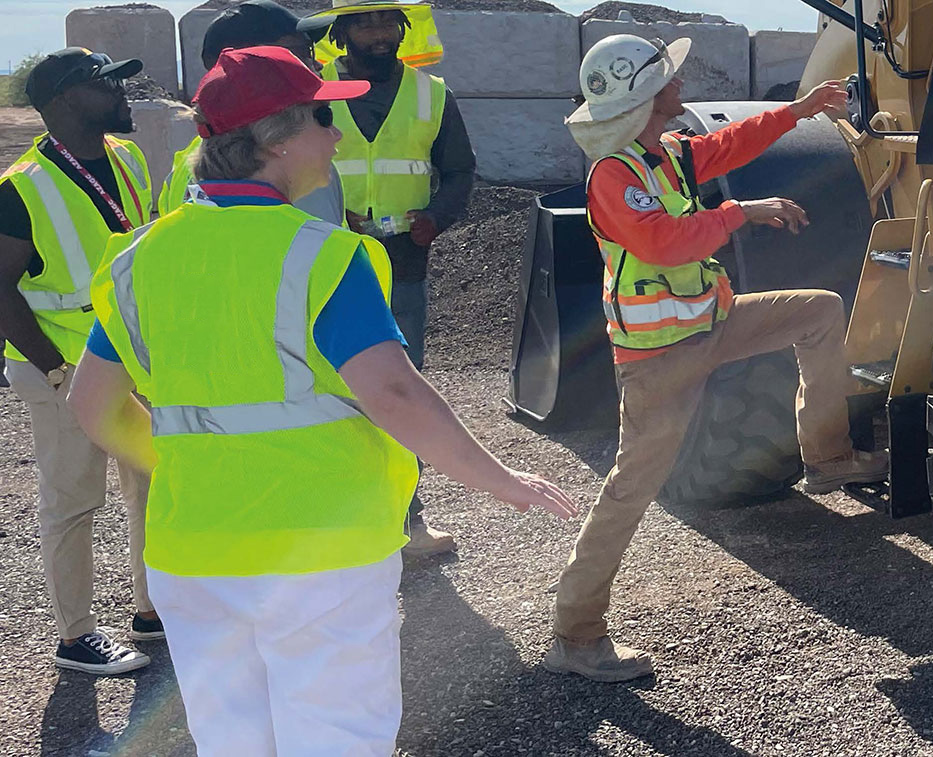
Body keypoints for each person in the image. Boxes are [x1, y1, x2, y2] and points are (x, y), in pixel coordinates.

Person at [65, 46, 577, 753]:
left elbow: (92, 407)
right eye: (323, 116)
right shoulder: (320, 253)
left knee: (234, 741)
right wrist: (502, 479)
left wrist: (189, 463)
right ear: (275, 139)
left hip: (191, 549)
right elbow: (394, 392)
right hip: (321, 548)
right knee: (336, 737)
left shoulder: (140, 257)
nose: (337, 134)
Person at [544, 34, 888, 683]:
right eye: (670, 78)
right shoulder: (612, 176)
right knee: (629, 490)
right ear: (648, 98)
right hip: (656, 362)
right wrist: (742, 211)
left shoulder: (666, 155)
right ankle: (575, 632)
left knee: (818, 312)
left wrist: (801, 109)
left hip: (714, 321)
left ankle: (827, 456)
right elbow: (663, 242)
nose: (682, 83)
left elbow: (731, 144)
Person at [0, 48, 158, 675]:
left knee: (151, 479)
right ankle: (75, 637)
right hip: (62, 370)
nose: (125, 93)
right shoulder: (20, 191)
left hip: (134, 365)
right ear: (63, 101)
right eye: (107, 84)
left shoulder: (128, 159)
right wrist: (59, 372)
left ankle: (153, 612)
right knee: (72, 497)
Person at [301, 0, 477, 556]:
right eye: (363, 22)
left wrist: (437, 217)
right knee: (325, 386)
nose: (378, 32)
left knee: (401, 387)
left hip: (403, 262)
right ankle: (338, 519)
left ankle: (406, 521)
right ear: (341, 31)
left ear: (404, 28)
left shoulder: (433, 95)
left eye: (386, 22)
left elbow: (460, 169)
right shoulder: (310, 88)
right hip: (325, 260)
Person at [158, 0, 343, 223]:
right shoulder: (295, 164)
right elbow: (322, 249)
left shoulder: (189, 163)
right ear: (246, 64)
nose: (316, 64)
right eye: (299, 54)